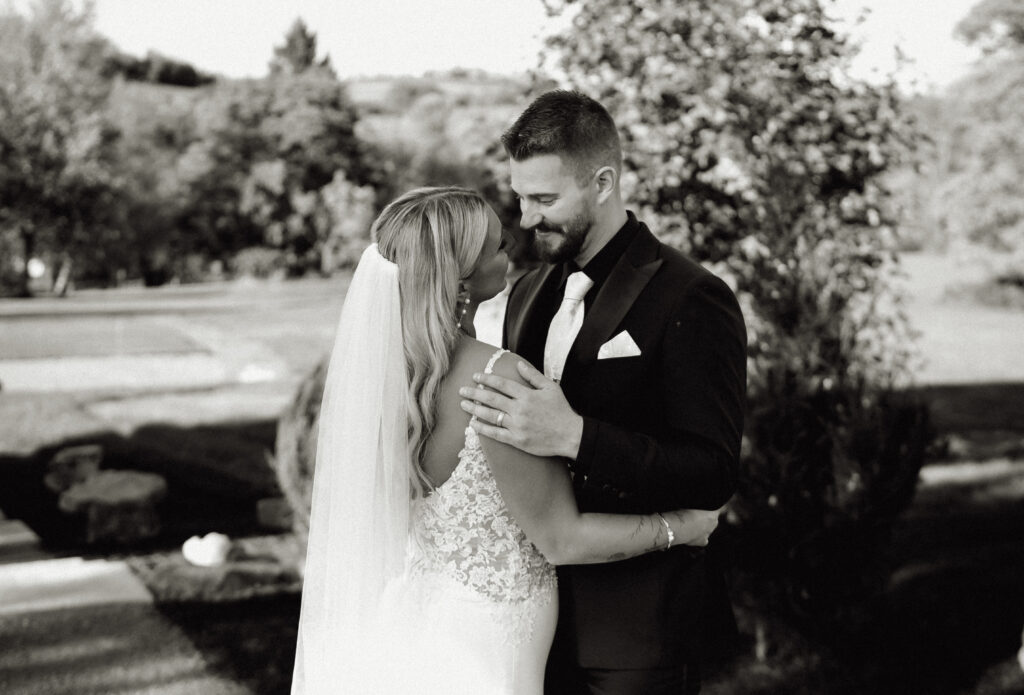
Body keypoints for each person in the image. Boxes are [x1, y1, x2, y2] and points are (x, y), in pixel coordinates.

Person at [290, 186, 723, 695]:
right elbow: (562, 539)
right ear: (460, 278)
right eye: (496, 248)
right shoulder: (497, 379)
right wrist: (679, 527)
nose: (513, 249)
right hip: (489, 649)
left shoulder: (388, 376)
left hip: (421, 621)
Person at [460, 90, 748, 694]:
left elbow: (712, 472)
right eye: (520, 197)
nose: (527, 219)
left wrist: (577, 436)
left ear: (604, 182)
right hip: (530, 626)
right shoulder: (527, 292)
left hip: (640, 633)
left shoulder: (690, 296)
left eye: (545, 199)